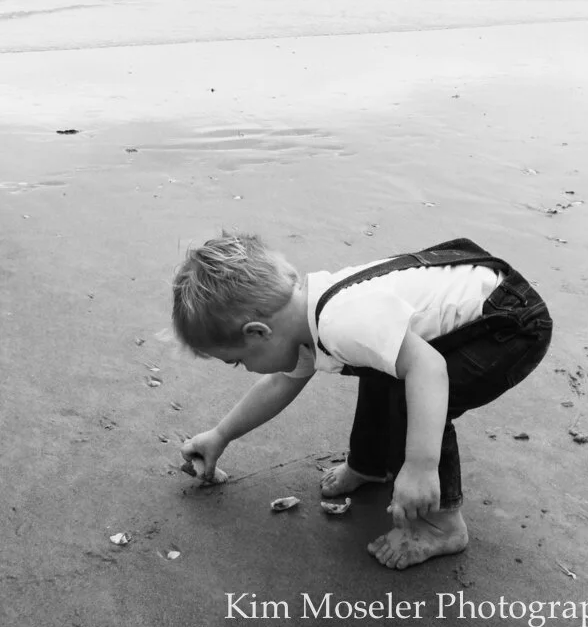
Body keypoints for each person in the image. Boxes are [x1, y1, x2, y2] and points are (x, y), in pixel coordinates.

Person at [172, 232, 552, 570]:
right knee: (383, 365)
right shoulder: (303, 318)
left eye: (239, 361)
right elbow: (279, 384)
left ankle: (442, 524)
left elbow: (429, 369)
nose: (247, 369)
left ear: (258, 332)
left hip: (507, 326)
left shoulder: (340, 324)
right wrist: (220, 435)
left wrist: (420, 466)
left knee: (414, 397)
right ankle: (370, 466)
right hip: (478, 297)